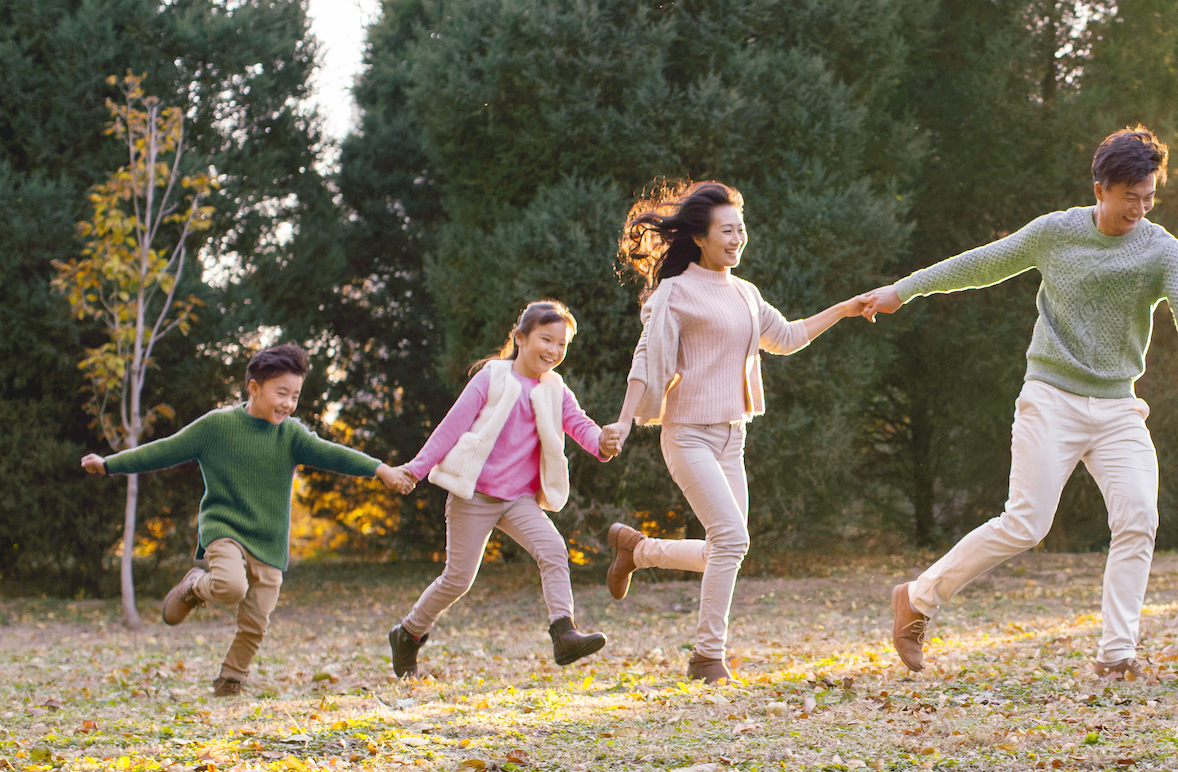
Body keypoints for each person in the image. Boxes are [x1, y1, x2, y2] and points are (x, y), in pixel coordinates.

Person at [858, 126, 1178, 678]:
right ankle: (918, 599)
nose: (1139, 207)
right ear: (1100, 189)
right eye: (1129, 196)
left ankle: (1117, 654)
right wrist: (905, 289)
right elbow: (981, 264)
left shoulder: (1162, 250)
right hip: (1051, 398)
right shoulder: (1055, 233)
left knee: (1139, 517)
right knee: (1026, 524)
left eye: (1149, 197)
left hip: (1117, 407)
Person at [599, 180, 870, 684]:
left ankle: (637, 551)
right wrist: (623, 418)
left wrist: (845, 308)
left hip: (732, 435)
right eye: (727, 230)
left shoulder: (745, 293)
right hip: (687, 434)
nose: (737, 238)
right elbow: (647, 358)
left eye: (741, 229)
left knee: (727, 546)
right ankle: (707, 657)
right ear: (699, 237)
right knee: (731, 540)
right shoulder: (674, 293)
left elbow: (786, 338)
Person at [81, 343, 415, 697]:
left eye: (295, 395)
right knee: (230, 586)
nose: (288, 403)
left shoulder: (291, 434)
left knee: (256, 621)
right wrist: (110, 464)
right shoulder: (217, 426)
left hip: (269, 542)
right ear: (253, 387)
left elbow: (334, 454)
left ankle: (231, 680)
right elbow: (164, 449)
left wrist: (380, 469)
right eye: (281, 392)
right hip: (224, 531)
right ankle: (195, 585)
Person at [386, 300, 613, 678]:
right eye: (546, 339)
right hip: (473, 495)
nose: (554, 351)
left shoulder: (556, 390)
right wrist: (415, 469)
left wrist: (603, 442)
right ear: (520, 337)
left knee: (554, 549)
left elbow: (582, 427)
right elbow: (451, 427)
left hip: (519, 499)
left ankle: (564, 632)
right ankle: (408, 633)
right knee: (457, 579)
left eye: (562, 344)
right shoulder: (492, 377)